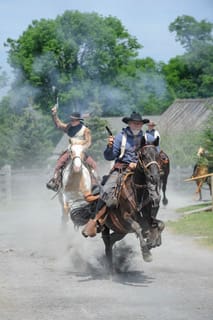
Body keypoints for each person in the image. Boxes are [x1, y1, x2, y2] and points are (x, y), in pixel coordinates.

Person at [82, 111, 149, 237]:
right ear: (129, 123)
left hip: (140, 171)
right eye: (134, 123)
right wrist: (110, 147)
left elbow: (151, 155)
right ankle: (94, 221)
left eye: (139, 124)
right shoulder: (120, 137)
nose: (137, 125)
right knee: (106, 190)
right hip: (121, 170)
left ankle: (150, 222)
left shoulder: (146, 138)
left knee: (153, 189)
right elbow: (109, 157)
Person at [46, 106, 97, 191]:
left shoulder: (85, 130)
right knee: (59, 164)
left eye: (74, 120)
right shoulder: (69, 127)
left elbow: (88, 142)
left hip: (81, 151)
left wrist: (81, 148)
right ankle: (55, 181)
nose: (72, 121)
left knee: (93, 165)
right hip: (70, 150)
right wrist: (54, 115)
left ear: (78, 120)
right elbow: (59, 125)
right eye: (71, 120)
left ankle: (94, 184)